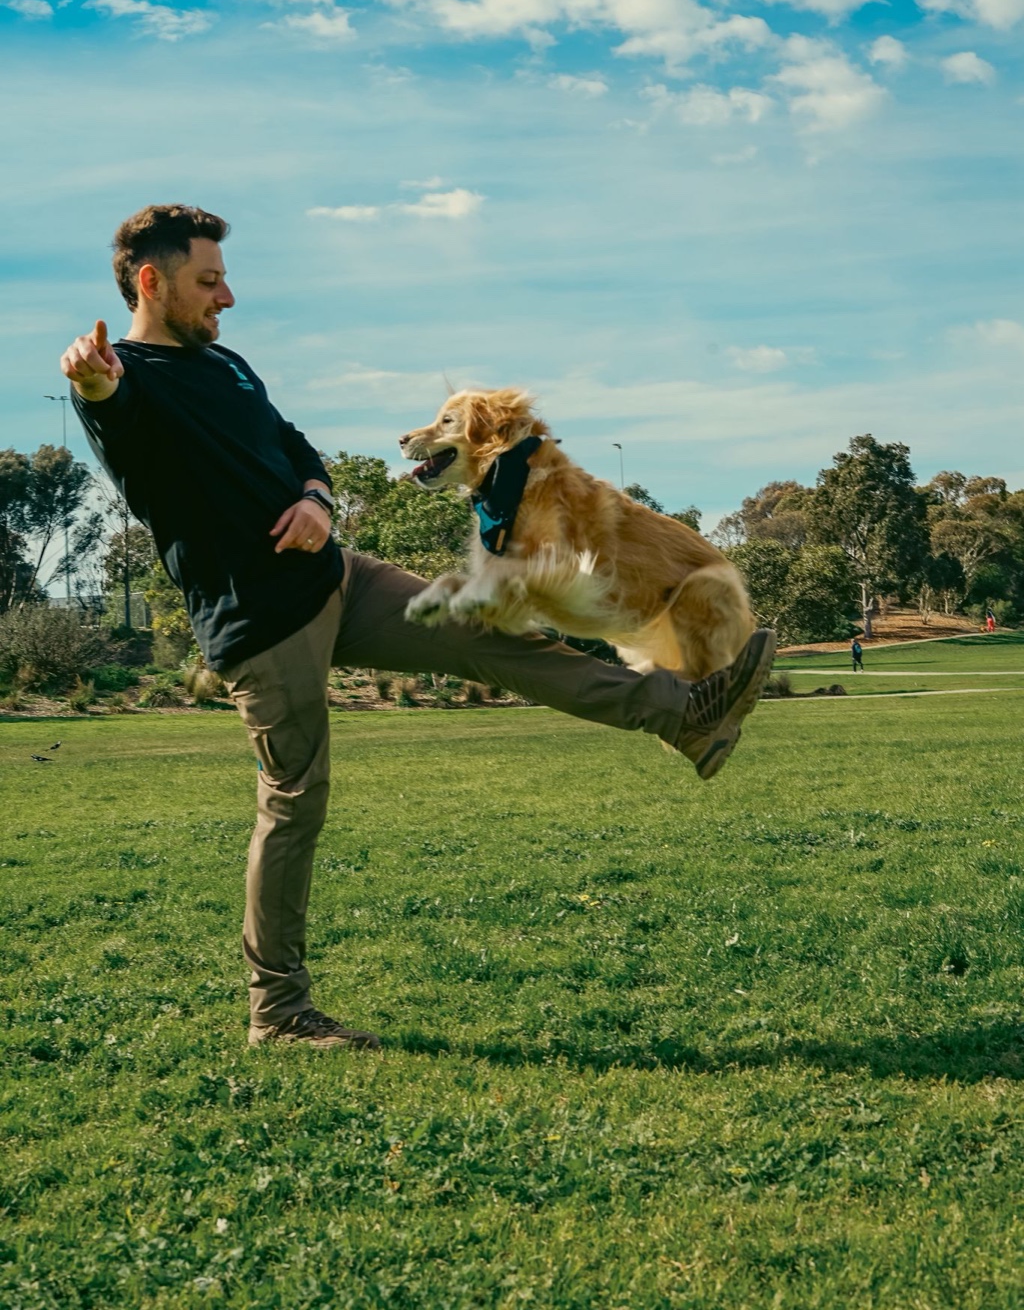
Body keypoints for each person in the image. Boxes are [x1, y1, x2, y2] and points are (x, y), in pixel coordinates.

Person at [62, 204, 776, 1052]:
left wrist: (318, 501)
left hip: (339, 579)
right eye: (209, 281)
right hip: (261, 619)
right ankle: (279, 1013)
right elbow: (107, 404)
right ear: (152, 281)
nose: (228, 296)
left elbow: (298, 449)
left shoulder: (231, 366)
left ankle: (680, 714)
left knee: (486, 634)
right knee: (295, 802)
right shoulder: (127, 379)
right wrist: (92, 380)